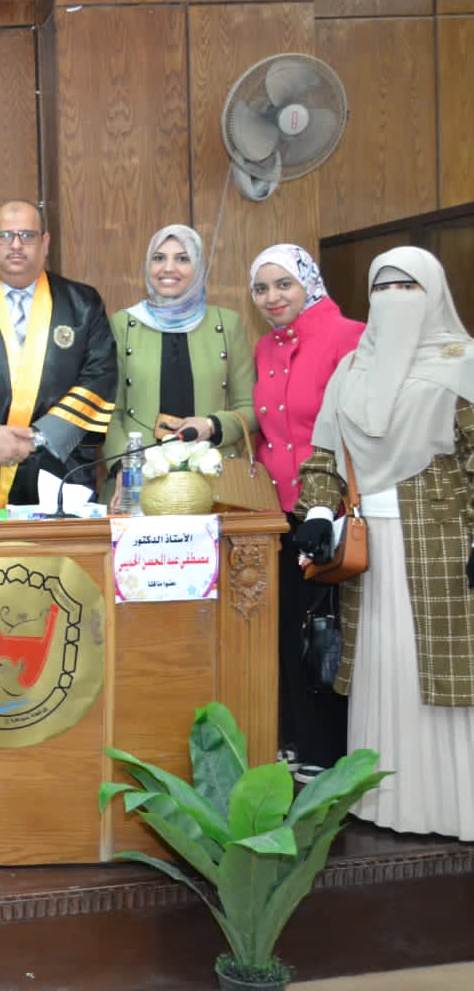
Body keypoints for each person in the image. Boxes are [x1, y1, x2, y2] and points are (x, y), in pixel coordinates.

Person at [295, 247, 474, 842]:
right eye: (382, 287)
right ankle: (386, 804)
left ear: (435, 292)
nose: (394, 299)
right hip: (369, 554)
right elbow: (324, 455)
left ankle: (455, 807)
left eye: (408, 287)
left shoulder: (463, 363)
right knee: (384, 671)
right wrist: (316, 511)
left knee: (444, 672)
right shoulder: (353, 368)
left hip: (444, 548)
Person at [249, 244, 365, 775]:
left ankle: (328, 752)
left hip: (333, 513)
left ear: (309, 283)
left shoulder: (350, 336)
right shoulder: (264, 348)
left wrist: (327, 507)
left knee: (329, 633)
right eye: (261, 288)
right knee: (288, 632)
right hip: (280, 515)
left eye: (284, 284)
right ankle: (297, 742)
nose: (272, 297)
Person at [0, 200, 117, 510]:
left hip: (61, 468)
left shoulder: (82, 303)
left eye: (27, 235)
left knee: (62, 544)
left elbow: (100, 375)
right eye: (5, 236)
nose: (16, 245)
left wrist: (41, 436)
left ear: (45, 243)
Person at [103, 224, 257, 471]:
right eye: (159, 258)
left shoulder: (227, 324)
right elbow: (110, 411)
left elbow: (251, 409)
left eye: (182, 259)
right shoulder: (123, 324)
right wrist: (126, 467)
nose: (168, 268)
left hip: (213, 474)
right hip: (140, 474)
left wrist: (212, 425)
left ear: (199, 267)